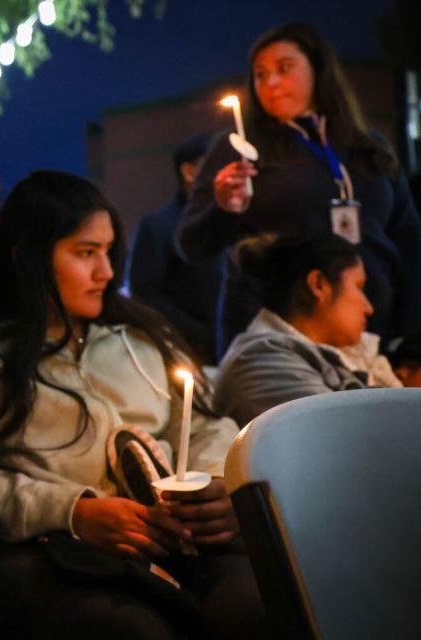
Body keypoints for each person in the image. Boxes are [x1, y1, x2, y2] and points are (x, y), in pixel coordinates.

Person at [0, 171, 264, 639]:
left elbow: (201, 423)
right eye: (85, 253)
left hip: (175, 541)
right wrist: (73, 511)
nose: (107, 272)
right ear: (26, 257)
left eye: (108, 251)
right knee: (137, 631)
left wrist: (214, 482)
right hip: (38, 554)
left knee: (257, 604)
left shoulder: (139, 336)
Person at [177, 22, 421, 357]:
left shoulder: (369, 147)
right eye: (260, 75)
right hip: (281, 340)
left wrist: (411, 331)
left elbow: (409, 238)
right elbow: (192, 245)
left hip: (377, 332)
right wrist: (225, 208)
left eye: (284, 68)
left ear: (318, 70)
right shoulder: (238, 149)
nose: (270, 83)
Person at [214, 234, 401, 427]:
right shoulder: (261, 362)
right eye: (359, 286)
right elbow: (352, 436)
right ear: (318, 284)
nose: (368, 307)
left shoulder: (335, 356)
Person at [127, 134, 222, 364]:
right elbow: (145, 292)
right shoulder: (158, 226)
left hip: (235, 347)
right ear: (189, 172)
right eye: (216, 165)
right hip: (189, 355)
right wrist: (201, 335)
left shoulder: (231, 222)